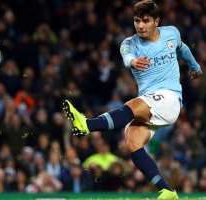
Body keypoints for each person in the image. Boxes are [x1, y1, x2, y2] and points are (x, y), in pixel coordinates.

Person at [62, 0, 203, 199]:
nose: (140, 25)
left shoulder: (171, 33)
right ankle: (167, 190)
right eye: (137, 20)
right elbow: (126, 57)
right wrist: (133, 61)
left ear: (156, 21)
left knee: (134, 105)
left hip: (170, 98)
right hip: (150, 101)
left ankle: (86, 125)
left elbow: (183, 48)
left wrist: (194, 66)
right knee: (132, 140)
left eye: (146, 21)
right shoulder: (129, 44)